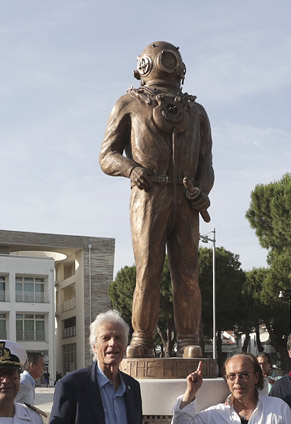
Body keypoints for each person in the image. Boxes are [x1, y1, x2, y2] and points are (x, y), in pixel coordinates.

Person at [100, 41, 213, 359]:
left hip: (185, 199)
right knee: (148, 268)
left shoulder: (196, 111)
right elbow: (106, 156)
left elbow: (207, 164)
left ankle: (189, 338)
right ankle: (143, 339)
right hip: (149, 196)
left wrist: (202, 191)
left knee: (188, 271)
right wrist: (130, 167)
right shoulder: (129, 103)